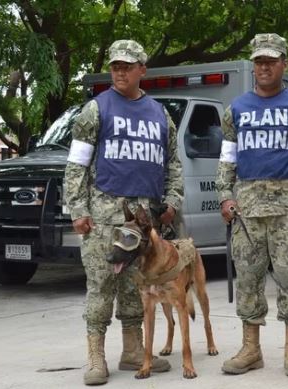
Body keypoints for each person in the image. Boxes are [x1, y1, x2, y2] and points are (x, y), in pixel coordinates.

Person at [64, 39, 182, 386]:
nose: (120, 71)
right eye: (115, 66)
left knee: (137, 286)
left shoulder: (160, 114)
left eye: (127, 66)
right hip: (103, 215)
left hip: (144, 219)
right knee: (101, 286)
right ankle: (95, 357)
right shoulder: (96, 109)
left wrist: (172, 200)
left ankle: (133, 352)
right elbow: (76, 166)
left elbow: (173, 162)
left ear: (142, 70)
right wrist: (78, 210)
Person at [216, 32, 288, 377]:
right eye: (259, 62)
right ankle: (251, 349)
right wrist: (225, 194)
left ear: (284, 64)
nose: (264, 67)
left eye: (270, 61)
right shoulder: (236, 109)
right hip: (247, 211)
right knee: (247, 279)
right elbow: (227, 158)